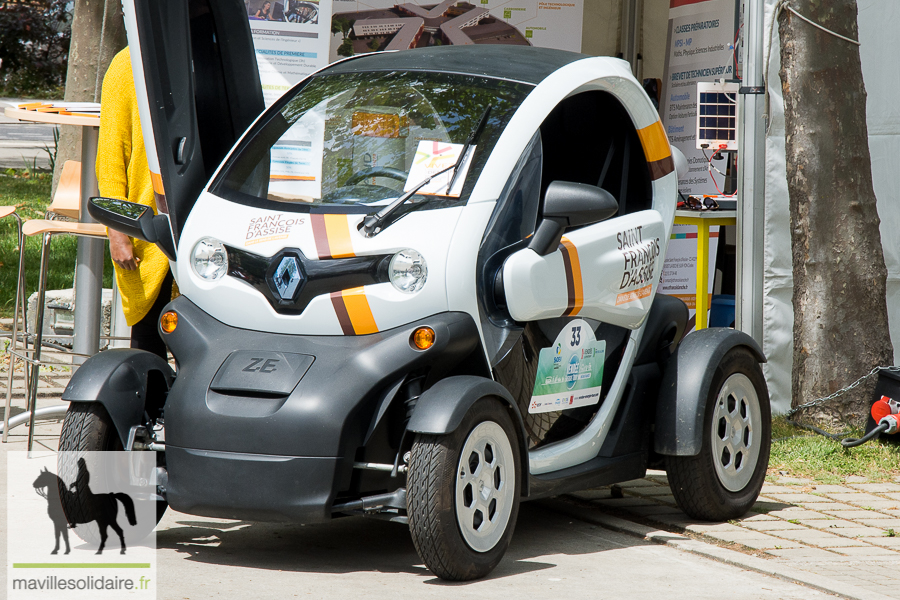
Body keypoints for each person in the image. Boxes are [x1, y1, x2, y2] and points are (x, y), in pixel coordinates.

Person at [96, 47, 173, 361]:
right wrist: (118, 231)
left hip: (198, 225)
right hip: (146, 226)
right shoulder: (127, 64)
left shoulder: (206, 52)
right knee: (146, 342)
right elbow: (111, 160)